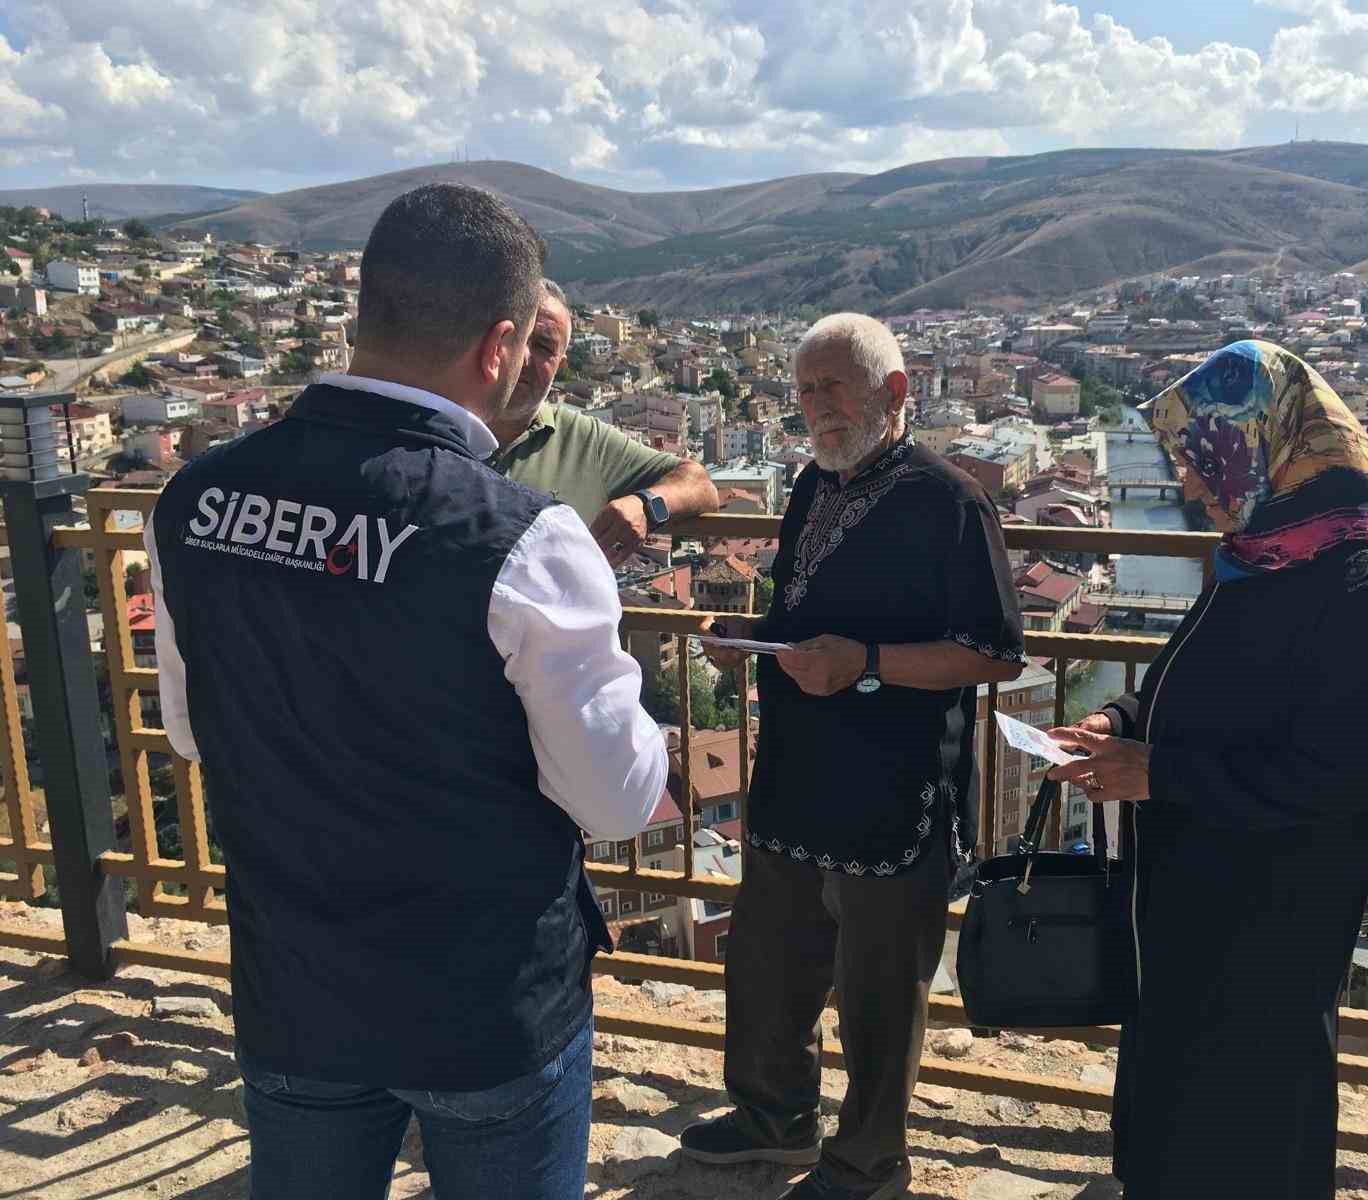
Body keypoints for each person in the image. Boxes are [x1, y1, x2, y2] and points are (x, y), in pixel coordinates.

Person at [144, 182, 668, 1200]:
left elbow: (194, 733)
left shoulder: (194, 500)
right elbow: (610, 803)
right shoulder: (523, 535)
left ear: (361, 316)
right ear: (498, 345)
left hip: (293, 986)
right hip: (484, 1006)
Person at [1046, 340, 1368, 1199]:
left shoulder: (1366, 585)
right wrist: (1115, 721)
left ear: (1269, 443)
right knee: (1175, 1092)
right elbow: (1189, 687)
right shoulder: (1261, 555)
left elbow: (1335, 777)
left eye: (1203, 464)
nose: (1190, 489)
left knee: (1251, 1115)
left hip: (1273, 911)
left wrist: (1160, 774)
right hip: (1191, 893)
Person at [680, 313, 1026, 1200]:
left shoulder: (951, 501)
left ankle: (869, 1161)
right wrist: (748, 640)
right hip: (799, 772)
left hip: (896, 786)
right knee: (770, 960)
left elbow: (995, 652)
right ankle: (775, 1117)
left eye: (834, 386)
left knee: (878, 992)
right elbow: (800, 622)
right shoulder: (812, 485)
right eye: (804, 391)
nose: (816, 408)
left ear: (895, 391)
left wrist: (867, 664)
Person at [487, 280, 718, 565]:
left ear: (560, 365)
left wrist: (646, 505)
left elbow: (701, 485)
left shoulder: (585, 440)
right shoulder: (442, 421)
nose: (524, 357)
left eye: (544, 346)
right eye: (518, 337)